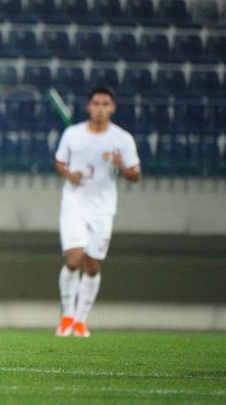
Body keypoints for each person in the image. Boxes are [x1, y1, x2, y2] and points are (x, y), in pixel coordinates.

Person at [53, 86, 140, 338]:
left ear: (112, 108)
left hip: (102, 209)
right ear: (88, 106)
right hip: (74, 205)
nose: (100, 108)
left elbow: (135, 174)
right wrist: (69, 174)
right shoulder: (73, 134)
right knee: (73, 259)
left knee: (92, 266)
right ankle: (67, 315)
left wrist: (120, 165)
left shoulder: (122, 140)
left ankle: (81, 321)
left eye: (105, 104)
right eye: (96, 103)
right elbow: (59, 161)